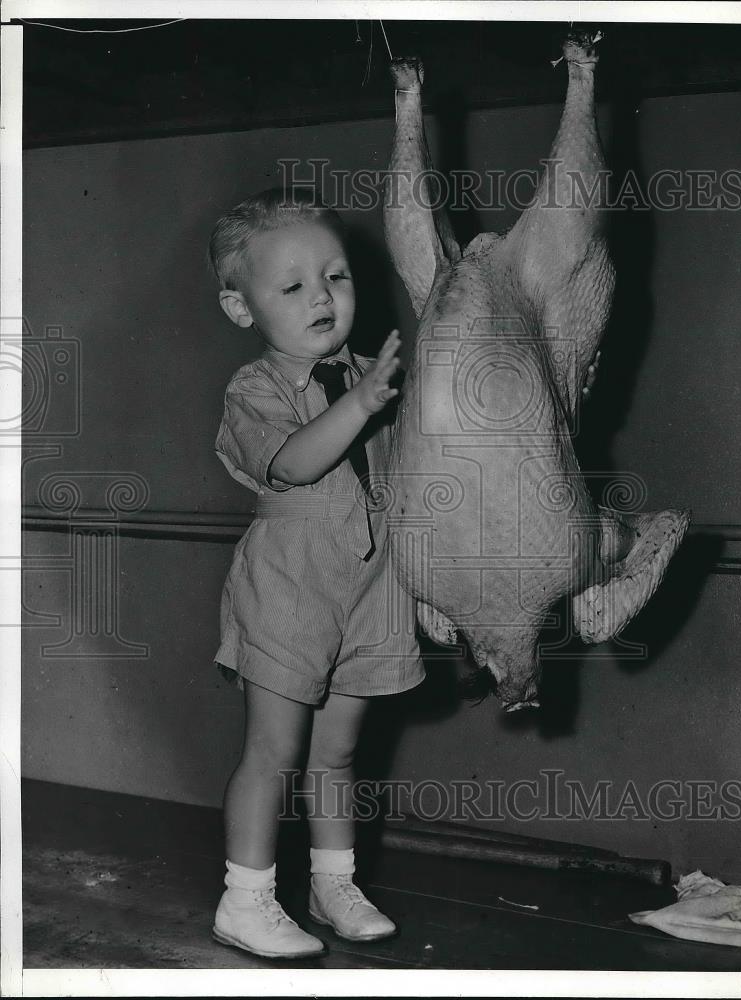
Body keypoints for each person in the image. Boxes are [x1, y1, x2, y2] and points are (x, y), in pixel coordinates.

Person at [208, 187, 424, 959]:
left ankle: (335, 882)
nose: (323, 298)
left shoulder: (380, 374)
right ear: (243, 308)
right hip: (293, 580)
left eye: (336, 276)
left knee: (338, 753)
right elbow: (295, 462)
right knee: (275, 750)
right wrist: (364, 402)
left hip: (373, 581)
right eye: (293, 286)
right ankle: (247, 898)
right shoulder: (254, 389)